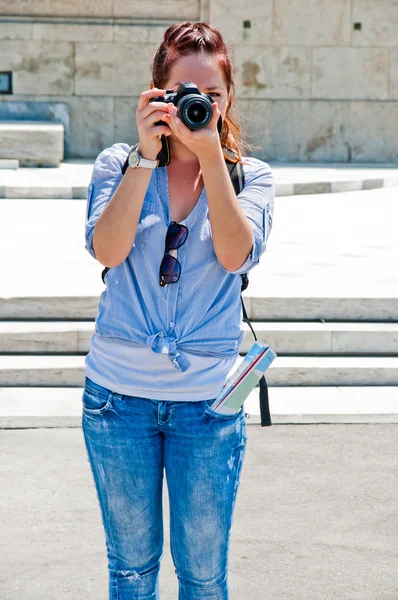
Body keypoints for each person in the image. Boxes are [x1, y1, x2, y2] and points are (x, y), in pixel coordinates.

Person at [82, 20, 274, 600]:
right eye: (182, 95)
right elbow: (108, 249)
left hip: (208, 410)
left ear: (227, 98)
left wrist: (212, 159)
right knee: (132, 574)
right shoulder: (117, 165)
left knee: (203, 576)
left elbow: (236, 254)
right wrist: (146, 158)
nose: (197, 107)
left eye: (210, 97)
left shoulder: (250, 176)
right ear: (155, 95)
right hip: (118, 400)